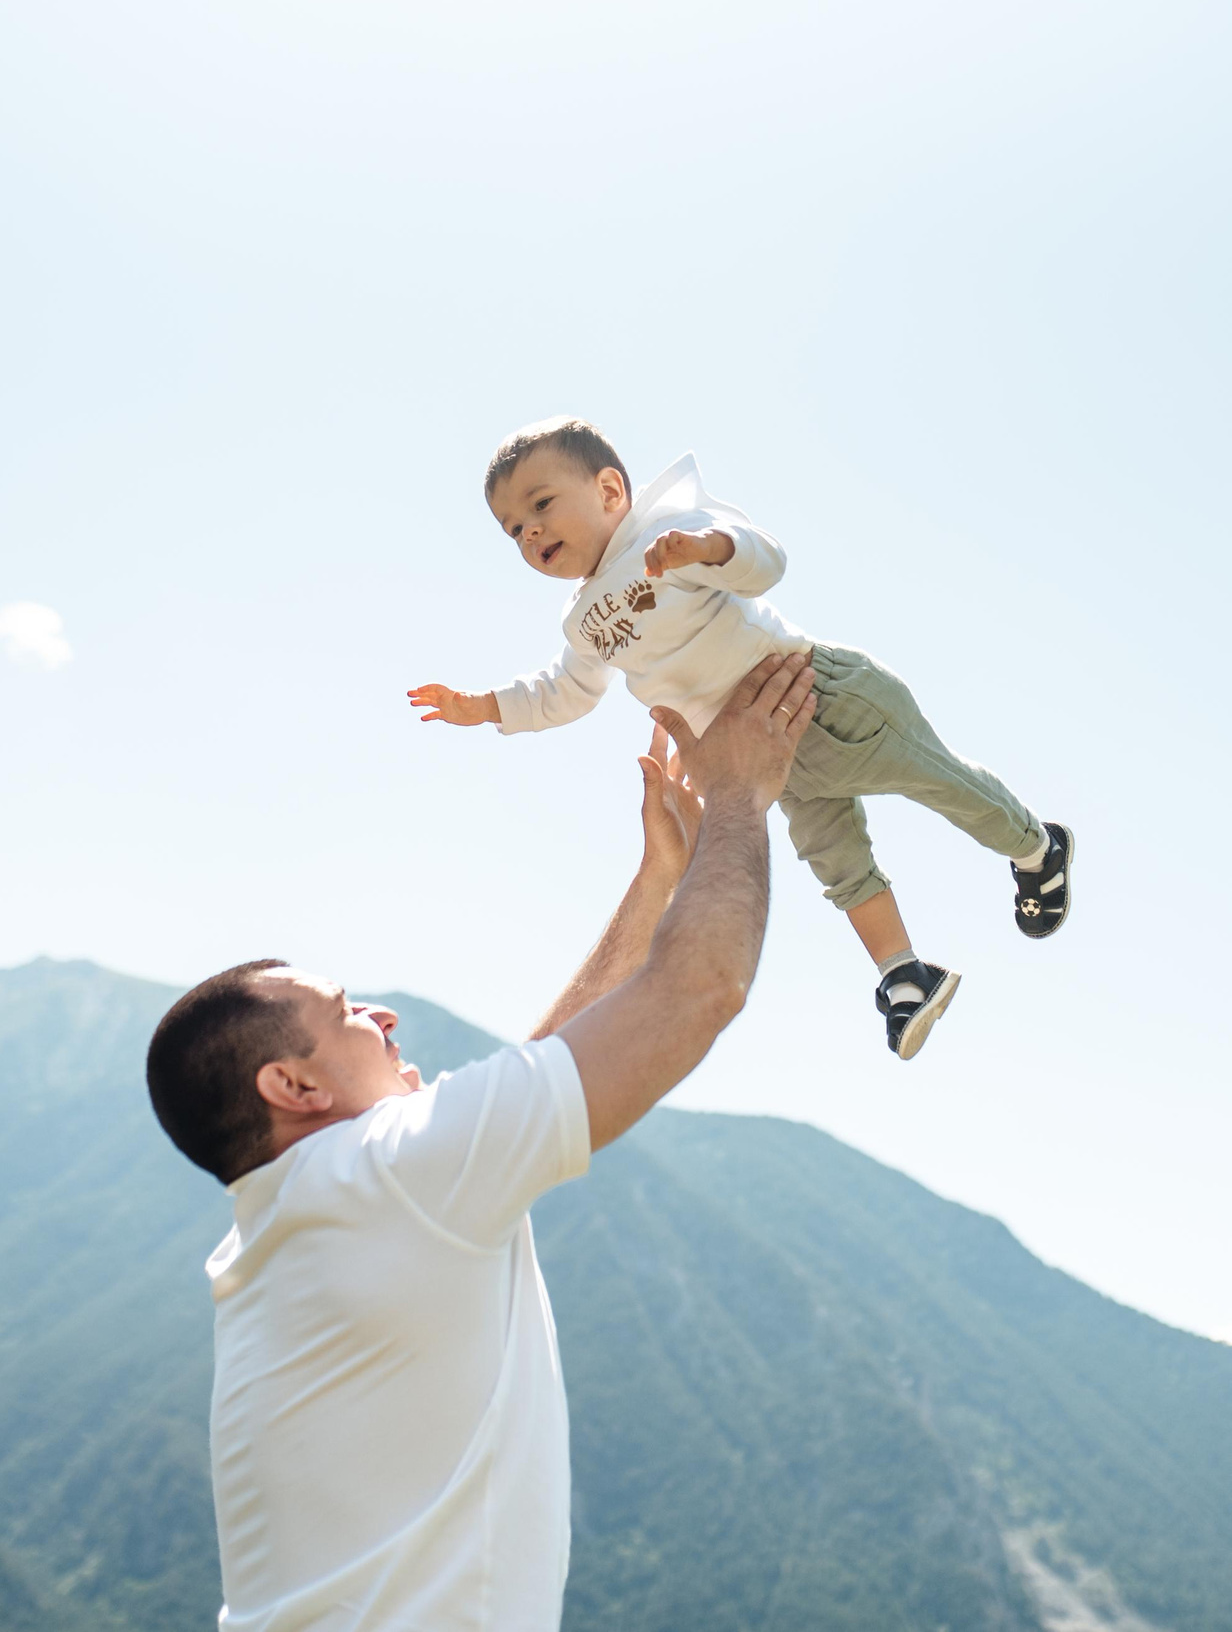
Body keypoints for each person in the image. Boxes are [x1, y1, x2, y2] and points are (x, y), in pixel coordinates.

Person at [145, 653, 818, 1632]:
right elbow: (699, 990)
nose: (381, 1014)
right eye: (345, 1011)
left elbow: (531, 1084)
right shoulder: (386, 1177)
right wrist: (741, 792)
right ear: (293, 1085)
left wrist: (656, 885)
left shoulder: (304, 1211)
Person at [407, 415, 1071, 1060]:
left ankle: (1037, 846)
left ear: (610, 491)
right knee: (835, 861)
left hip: (820, 693)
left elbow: (765, 560)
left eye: (541, 504)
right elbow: (565, 691)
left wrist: (706, 550)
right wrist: (487, 706)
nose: (530, 532)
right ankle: (904, 975)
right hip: (766, 756)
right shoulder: (583, 621)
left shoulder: (667, 532)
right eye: (513, 529)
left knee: (937, 779)